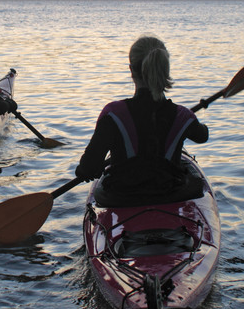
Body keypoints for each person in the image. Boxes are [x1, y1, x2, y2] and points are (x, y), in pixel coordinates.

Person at [75, 35, 208, 196]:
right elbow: (203, 136)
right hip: (170, 194)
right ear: (165, 70)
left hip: (122, 197)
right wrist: (191, 121)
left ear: (131, 70)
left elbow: (88, 167)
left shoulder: (113, 114)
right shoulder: (182, 116)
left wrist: (84, 172)